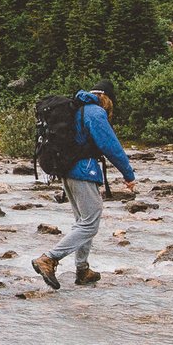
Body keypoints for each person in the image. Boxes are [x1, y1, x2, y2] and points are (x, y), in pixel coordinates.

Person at [32, 88, 135, 290]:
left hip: (67, 169)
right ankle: (49, 259)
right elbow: (110, 145)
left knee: (83, 222)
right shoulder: (95, 112)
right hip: (83, 170)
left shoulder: (76, 109)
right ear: (107, 99)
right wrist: (128, 174)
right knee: (89, 224)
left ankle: (82, 269)